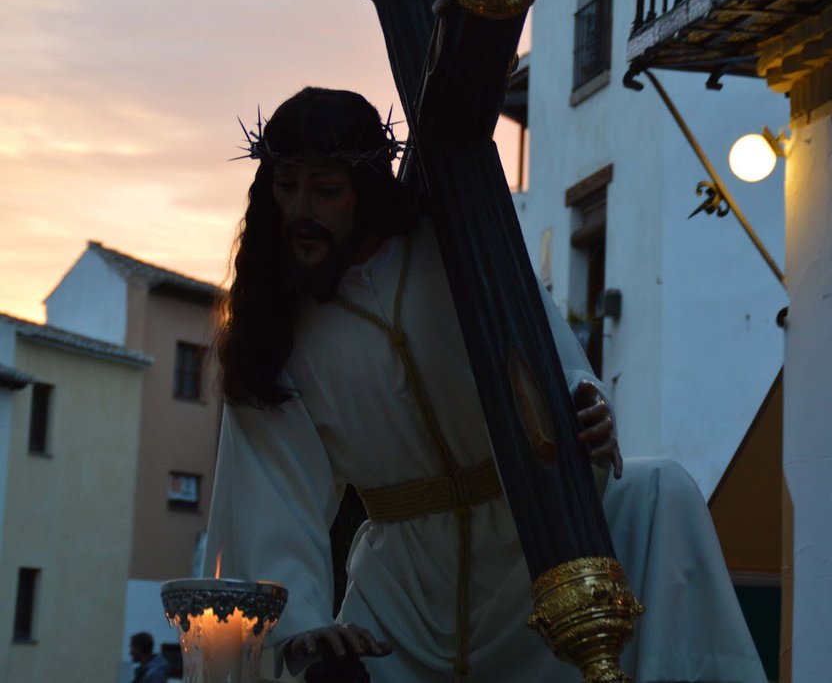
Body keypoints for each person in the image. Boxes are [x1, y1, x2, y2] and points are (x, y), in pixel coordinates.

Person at [204, 87, 767, 683]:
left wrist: (585, 405)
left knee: (662, 494)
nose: (301, 210)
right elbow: (270, 491)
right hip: (404, 601)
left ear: (363, 192)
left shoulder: (457, 256)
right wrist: (301, 625)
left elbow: (550, 358)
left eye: (325, 189)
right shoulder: (275, 330)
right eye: (286, 187)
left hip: (532, 547)